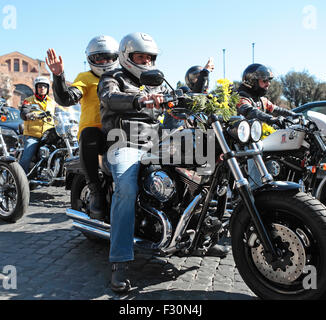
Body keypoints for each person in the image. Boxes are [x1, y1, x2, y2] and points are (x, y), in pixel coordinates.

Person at [98, 32, 229, 293]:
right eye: (140, 56)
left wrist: (201, 87)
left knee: (208, 167)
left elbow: (180, 96)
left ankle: (202, 233)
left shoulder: (156, 82)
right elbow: (109, 98)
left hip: (156, 140)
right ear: (127, 56)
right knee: (126, 188)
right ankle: (120, 261)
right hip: (124, 142)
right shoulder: (113, 78)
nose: (146, 61)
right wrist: (138, 99)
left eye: (149, 57)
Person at [46, 35, 120, 219]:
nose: (103, 61)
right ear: (90, 59)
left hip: (122, 131)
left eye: (107, 57)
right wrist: (58, 76)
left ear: (116, 57)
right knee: (89, 135)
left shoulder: (122, 77)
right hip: (97, 134)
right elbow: (67, 97)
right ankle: (95, 190)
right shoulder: (85, 78)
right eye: (98, 58)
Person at [236, 64, 299, 188]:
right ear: (251, 81)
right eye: (264, 81)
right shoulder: (242, 97)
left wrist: (295, 115)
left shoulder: (261, 99)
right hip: (242, 142)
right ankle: (256, 190)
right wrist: (272, 119)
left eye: (269, 81)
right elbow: (250, 111)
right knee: (256, 147)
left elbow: (276, 109)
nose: (268, 84)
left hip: (256, 138)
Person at [19, 76, 57, 174]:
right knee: (27, 156)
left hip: (48, 134)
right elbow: (24, 112)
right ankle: (20, 179)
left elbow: (59, 113)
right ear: (36, 88)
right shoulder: (29, 100)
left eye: (44, 86)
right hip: (33, 134)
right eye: (40, 86)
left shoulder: (52, 102)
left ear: (48, 88)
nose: (42, 88)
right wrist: (30, 114)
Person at [163, 58, 215, 130]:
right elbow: (196, 95)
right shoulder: (184, 92)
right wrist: (205, 72)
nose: (200, 80)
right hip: (175, 136)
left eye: (200, 78)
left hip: (200, 135)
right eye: (196, 78)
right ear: (189, 79)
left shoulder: (210, 98)